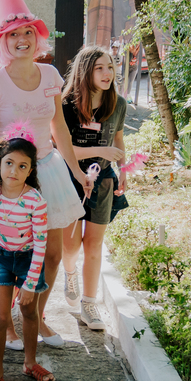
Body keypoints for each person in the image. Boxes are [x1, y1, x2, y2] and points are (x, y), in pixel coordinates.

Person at [0, 0, 92, 350]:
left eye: (28, 32)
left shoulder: (51, 76)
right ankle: (10, 325)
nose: (22, 39)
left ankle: (36, 317)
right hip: (11, 177)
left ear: (37, 37)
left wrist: (77, 170)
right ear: (3, 41)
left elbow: (59, 127)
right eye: (13, 34)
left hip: (49, 170)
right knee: (15, 255)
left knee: (53, 255)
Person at [0, 125, 55, 381]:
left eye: (22, 166)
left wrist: (30, 284)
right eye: (9, 163)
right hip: (0, 257)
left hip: (29, 259)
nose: (14, 171)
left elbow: (41, 243)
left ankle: (30, 363)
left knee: (30, 311)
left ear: (30, 170)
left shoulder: (35, 201)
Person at [60, 46, 128, 331]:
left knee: (94, 244)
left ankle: (89, 304)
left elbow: (118, 139)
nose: (107, 73)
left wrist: (123, 169)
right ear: (85, 71)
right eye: (99, 68)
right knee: (71, 244)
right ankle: (69, 272)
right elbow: (63, 149)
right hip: (70, 178)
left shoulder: (118, 103)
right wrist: (102, 150)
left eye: (110, 67)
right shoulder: (67, 105)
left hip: (104, 179)